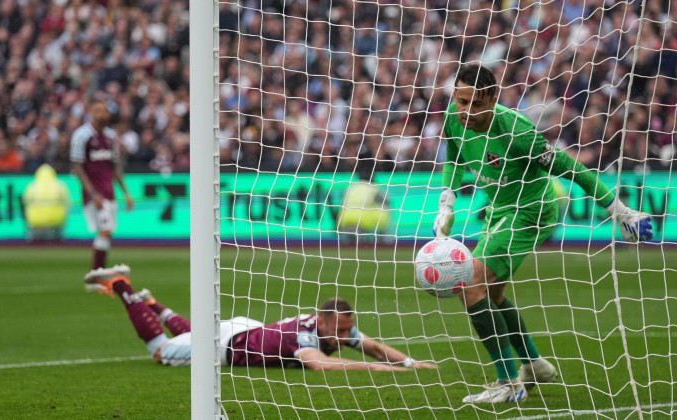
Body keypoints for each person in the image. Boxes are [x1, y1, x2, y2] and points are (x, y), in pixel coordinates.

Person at [432, 64, 653, 404]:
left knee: (470, 283)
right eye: (461, 102)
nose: (466, 111)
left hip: (532, 211)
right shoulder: (454, 116)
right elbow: (454, 156)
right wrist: (447, 200)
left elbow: (572, 169)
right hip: (499, 211)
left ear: (492, 98)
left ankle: (508, 382)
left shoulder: (517, 131)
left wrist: (620, 211)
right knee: (488, 294)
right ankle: (533, 364)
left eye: (475, 104)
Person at [84, 265, 437, 371]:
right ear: (325, 320)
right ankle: (123, 286)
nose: (347, 337)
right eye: (342, 331)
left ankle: (154, 303)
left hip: (247, 329)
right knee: (161, 350)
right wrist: (379, 369)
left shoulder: (329, 326)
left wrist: (409, 362)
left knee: (192, 331)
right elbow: (320, 365)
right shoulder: (305, 338)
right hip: (228, 344)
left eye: (348, 330)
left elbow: (372, 345)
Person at [70, 101, 134, 269]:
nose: (102, 114)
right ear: (91, 112)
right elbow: (77, 166)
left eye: (105, 111)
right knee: (105, 230)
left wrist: (126, 193)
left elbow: (116, 166)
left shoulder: (111, 136)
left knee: (108, 232)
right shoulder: (81, 135)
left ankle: (99, 271)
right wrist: (92, 193)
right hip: (94, 193)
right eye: (98, 111)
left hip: (109, 191)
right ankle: (97, 272)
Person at [23, 163, 70, 242]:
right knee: (57, 247)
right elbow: (67, 205)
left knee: (34, 248)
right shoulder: (60, 185)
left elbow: (25, 204)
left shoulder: (32, 186)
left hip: (36, 224)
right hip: (55, 224)